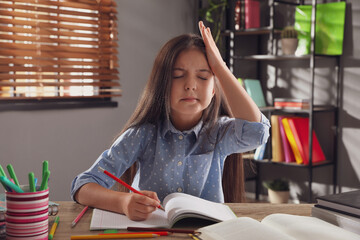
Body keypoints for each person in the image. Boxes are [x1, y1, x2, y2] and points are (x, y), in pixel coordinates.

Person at [71, 21, 270, 221]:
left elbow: (258, 133)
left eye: (203, 77)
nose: (190, 85)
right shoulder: (142, 134)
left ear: (214, 89)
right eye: (177, 76)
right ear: (162, 84)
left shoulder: (219, 133)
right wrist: (123, 202)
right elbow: (83, 185)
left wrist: (220, 67)